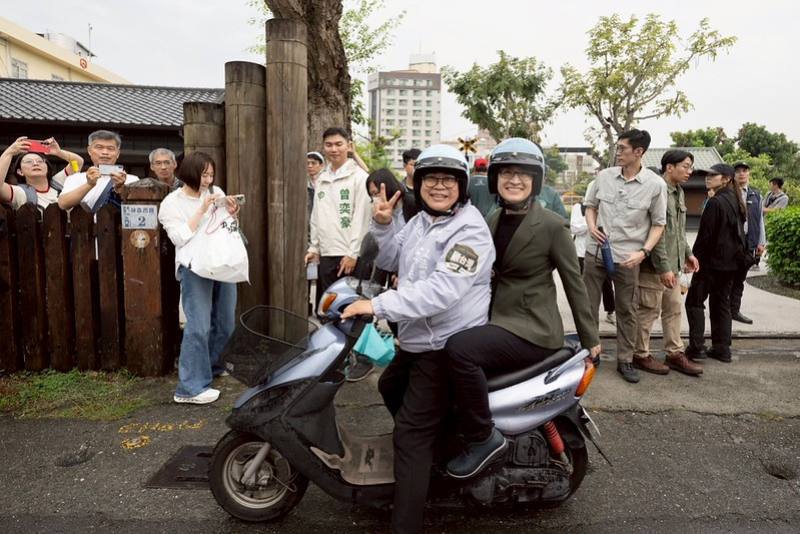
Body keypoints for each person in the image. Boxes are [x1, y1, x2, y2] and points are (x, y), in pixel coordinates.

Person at [341, 145, 494, 534]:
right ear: (419, 183)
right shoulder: (422, 222)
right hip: (415, 339)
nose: (439, 186)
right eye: (431, 179)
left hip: (444, 343)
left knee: (410, 434)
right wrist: (383, 224)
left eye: (448, 180)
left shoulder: (470, 230)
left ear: (461, 186)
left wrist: (377, 305)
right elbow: (394, 259)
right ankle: (438, 456)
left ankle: (406, 522)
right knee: (390, 385)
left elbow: (442, 291)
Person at [444, 138, 600, 480]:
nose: (514, 180)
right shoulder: (492, 218)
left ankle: (483, 439)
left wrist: (591, 339)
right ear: (495, 179)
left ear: (535, 181)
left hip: (532, 328)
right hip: (496, 319)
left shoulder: (552, 225)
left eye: (523, 174)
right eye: (507, 173)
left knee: (460, 351)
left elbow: (574, 283)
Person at [583, 129, 667, 384]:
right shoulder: (604, 176)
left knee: (627, 310)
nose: (617, 152)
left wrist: (643, 252)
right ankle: (589, 353)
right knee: (587, 307)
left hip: (627, 259)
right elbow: (590, 206)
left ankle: (625, 360)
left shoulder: (655, 185)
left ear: (638, 152)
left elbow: (659, 224)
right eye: (617, 147)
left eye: (622, 148)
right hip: (595, 252)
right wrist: (591, 226)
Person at [158, 152, 240, 404]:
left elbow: (224, 229)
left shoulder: (216, 192)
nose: (208, 180)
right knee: (198, 325)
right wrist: (202, 210)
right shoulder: (172, 203)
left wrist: (232, 214)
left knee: (225, 321)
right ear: (190, 173)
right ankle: (189, 388)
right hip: (193, 267)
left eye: (211, 175)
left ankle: (214, 366)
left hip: (221, 262)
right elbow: (178, 238)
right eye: (204, 175)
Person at [305, 128, 373, 381]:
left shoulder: (359, 177)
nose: (333, 149)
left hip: (350, 255)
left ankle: (362, 358)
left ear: (349, 146)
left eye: (338, 144)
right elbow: (317, 216)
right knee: (329, 308)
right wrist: (314, 247)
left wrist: (353, 253)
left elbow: (362, 218)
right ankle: (337, 357)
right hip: (328, 253)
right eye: (329, 145)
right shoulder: (322, 178)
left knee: (355, 308)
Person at [633, 150, 702, 376]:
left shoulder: (678, 191)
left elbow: (678, 231)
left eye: (691, 167)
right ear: (669, 167)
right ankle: (640, 355)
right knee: (648, 312)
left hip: (673, 266)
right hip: (654, 268)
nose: (690, 171)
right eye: (685, 166)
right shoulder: (657, 190)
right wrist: (663, 268)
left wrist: (688, 254)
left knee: (673, 310)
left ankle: (674, 354)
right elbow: (656, 233)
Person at [685, 164, 746, 364]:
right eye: (707, 175)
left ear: (726, 179)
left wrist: (693, 259)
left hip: (711, 263)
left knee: (694, 302)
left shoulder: (715, 202)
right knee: (721, 304)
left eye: (713, 175)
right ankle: (722, 349)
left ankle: (697, 348)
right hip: (730, 264)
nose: (708, 177)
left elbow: (705, 236)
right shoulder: (735, 199)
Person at [570, 179, 616, 325]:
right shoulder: (579, 207)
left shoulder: (606, 208)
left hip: (602, 251)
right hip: (581, 251)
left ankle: (611, 311)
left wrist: (592, 224)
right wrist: (592, 225)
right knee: (583, 285)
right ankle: (584, 314)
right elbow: (574, 228)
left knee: (607, 284)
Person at [58, 130, 139, 212]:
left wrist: (121, 189)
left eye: (110, 148)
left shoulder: (132, 180)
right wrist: (89, 184)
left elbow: (138, 208)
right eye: (99, 147)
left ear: (118, 153)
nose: (105, 152)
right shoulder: (75, 178)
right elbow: (62, 204)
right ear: (89, 150)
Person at [0, 136, 83, 213]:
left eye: (40, 161)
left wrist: (59, 152)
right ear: (20, 172)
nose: (35, 164)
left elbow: (77, 163)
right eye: (29, 161)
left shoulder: (58, 182)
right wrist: (9, 152)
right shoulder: (20, 193)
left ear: (47, 168)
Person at [730, 162, 765, 324]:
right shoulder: (728, 193)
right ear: (733, 175)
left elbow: (760, 220)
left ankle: (735, 310)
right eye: (738, 171)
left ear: (749, 173)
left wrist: (761, 242)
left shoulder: (755, 195)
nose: (741, 174)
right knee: (727, 278)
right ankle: (724, 311)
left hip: (748, 242)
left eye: (744, 171)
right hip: (731, 242)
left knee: (740, 279)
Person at [400, 148, 421, 221]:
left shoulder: (426, 189)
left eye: (419, 165)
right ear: (404, 166)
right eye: (413, 164)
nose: (416, 168)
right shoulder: (399, 189)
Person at [306, 151, 324, 215]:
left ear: (321, 165)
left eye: (313, 163)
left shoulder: (326, 182)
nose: (310, 166)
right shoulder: (303, 182)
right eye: (307, 163)